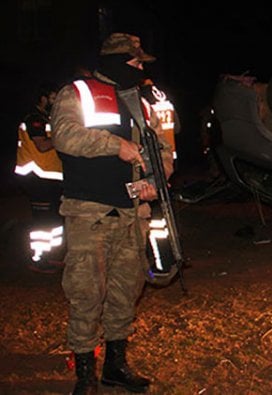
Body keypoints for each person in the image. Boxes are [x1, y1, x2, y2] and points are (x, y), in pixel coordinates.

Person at [51, 32, 173, 394]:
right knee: (86, 292)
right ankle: (85, 375)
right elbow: (64, 135)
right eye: (135, 62)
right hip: (89, 211)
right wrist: (114, 145)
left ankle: (115, 367)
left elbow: (162, 149)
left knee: (125, 290)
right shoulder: (76, 93)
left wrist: (157, 177)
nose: (140, 69)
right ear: (116, 62)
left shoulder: (143, 103)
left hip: (133, 212)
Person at [14, 83, 64, 273]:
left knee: (51, 219)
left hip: (50, 176)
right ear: (42, 98)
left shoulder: (47, 118)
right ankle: (37, 258)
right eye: (53, 97)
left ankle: (49, 256)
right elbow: (42, 145)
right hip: (37, 176)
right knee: (43, 220)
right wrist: (65, 137)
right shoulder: (34, 118)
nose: (55, 101)